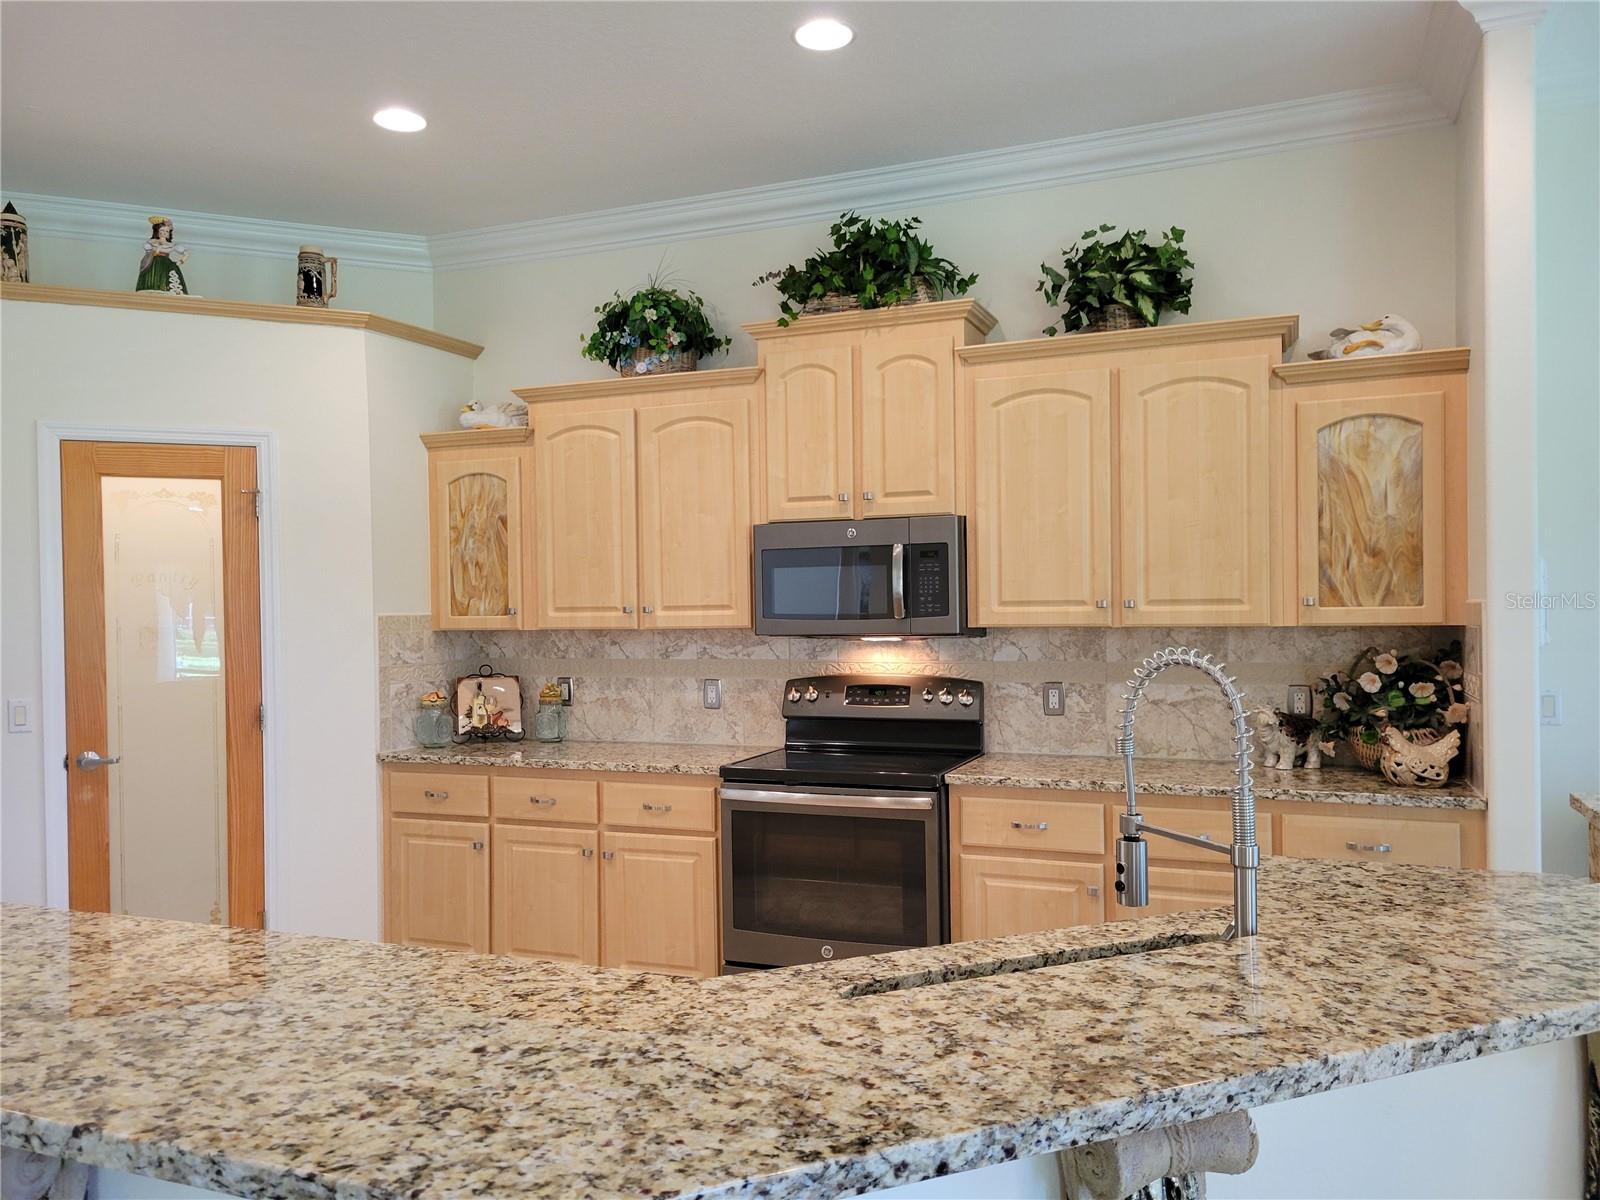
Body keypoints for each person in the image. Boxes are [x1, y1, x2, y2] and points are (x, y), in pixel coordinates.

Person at [136, 216, 190, 294]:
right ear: (157, 231)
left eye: (167, 231)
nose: (164, 233)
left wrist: (180, 262)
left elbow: (186, 253)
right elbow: (148, 252)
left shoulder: (171, 245)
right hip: (153, 264)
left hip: (167, 265)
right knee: (153, 280)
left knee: (167, 281)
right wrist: (156, 250)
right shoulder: (152, 242)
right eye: (162, 230)